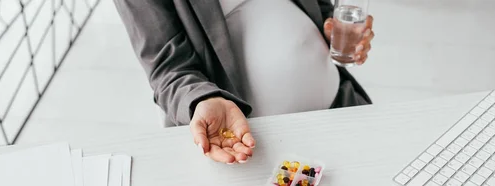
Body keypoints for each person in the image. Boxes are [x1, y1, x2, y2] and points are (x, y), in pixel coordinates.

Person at [114, 0, 374, 164]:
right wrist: (203, 99)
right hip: (248, 145)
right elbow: (167, 68)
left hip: (339, 102)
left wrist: (327, 27)